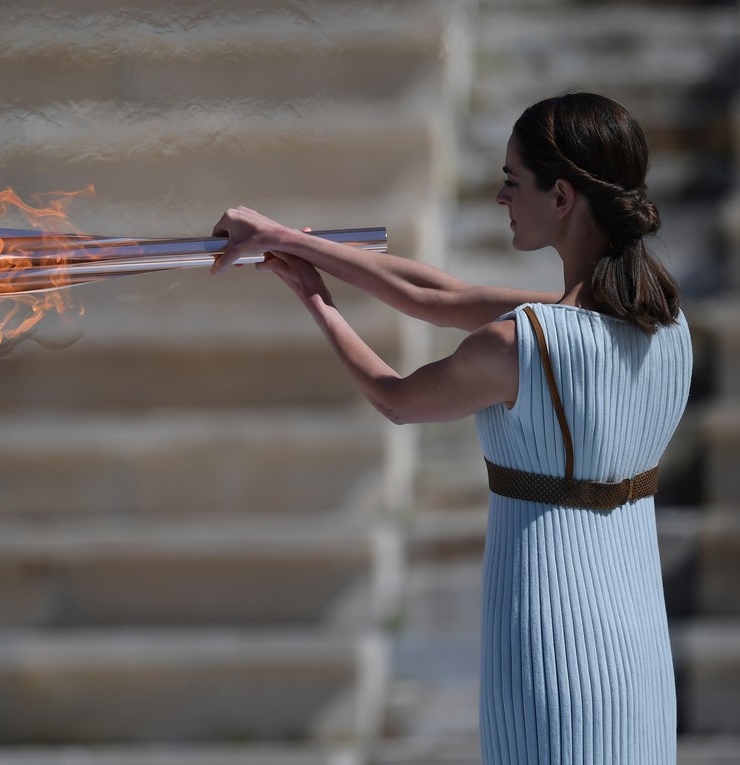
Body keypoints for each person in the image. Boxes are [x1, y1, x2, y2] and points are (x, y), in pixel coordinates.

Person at [212, 92, 689, 763]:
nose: (500, 198)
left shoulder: (522, 345)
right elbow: (437, 297)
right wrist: (293, 239)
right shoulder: (664, 326)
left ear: (562, 198)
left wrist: (310, 292)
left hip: (551, 642)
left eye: (511, 182)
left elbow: (397, 398)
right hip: (637, 640)